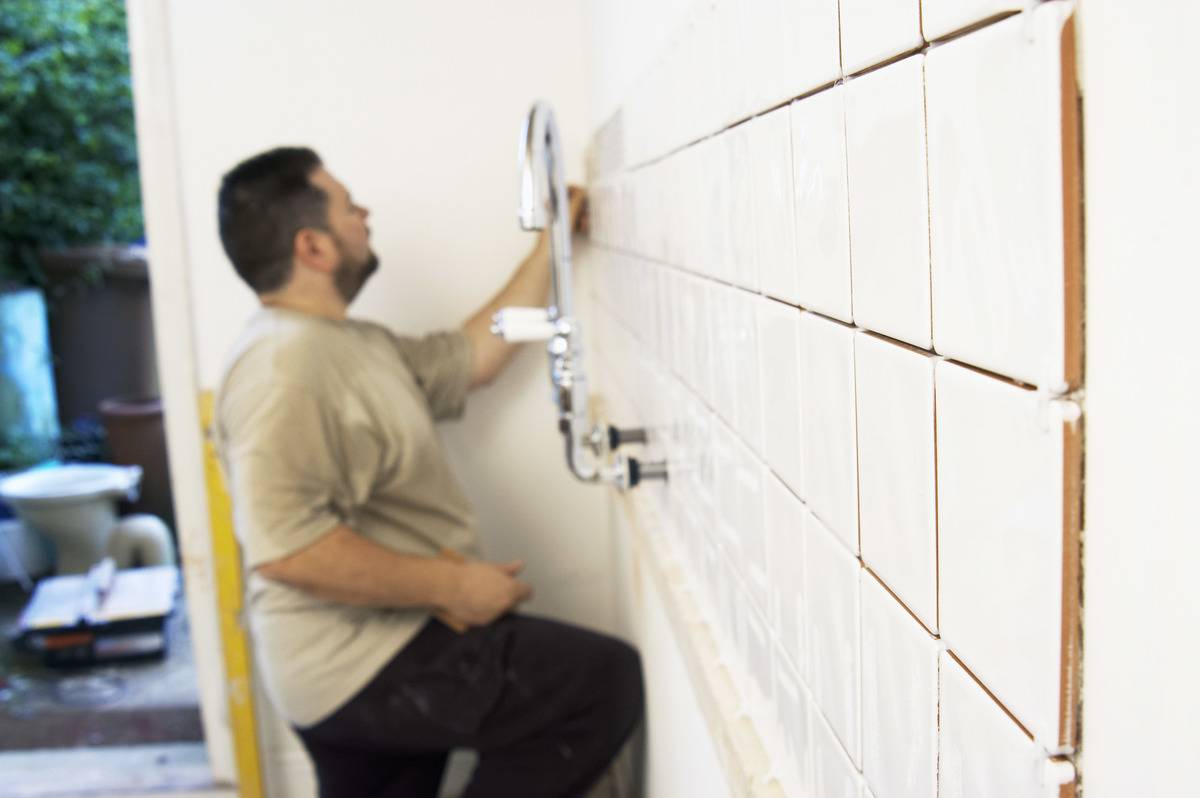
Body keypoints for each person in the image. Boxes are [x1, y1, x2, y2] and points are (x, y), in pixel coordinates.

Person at [213, 146, 643, 798]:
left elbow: (472, 358)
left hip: (358, 658)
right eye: (347, 205)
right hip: (356, 660)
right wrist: (453, 586)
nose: (364, 214)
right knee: (596, 684)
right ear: (314, 247)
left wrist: (551, 243)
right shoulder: (282, 370)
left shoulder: (345, 344)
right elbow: (287, 550)